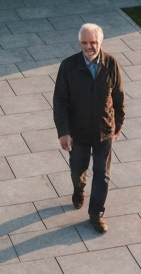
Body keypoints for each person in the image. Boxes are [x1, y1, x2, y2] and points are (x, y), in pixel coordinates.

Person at [52, 22, 124, 233]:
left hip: (104, 131)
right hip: (78, 132)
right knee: (78, 169)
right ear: (80, 43)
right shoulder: (68, 66)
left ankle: (96, 214)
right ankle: (79, 189)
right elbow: (60, 101)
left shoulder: (111, 64)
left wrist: (117, 126)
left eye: (93, 42)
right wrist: (64, 132)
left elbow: (119, 97)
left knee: (102, 174)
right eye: (84, 42)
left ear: (100, 42)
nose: (89, 47)